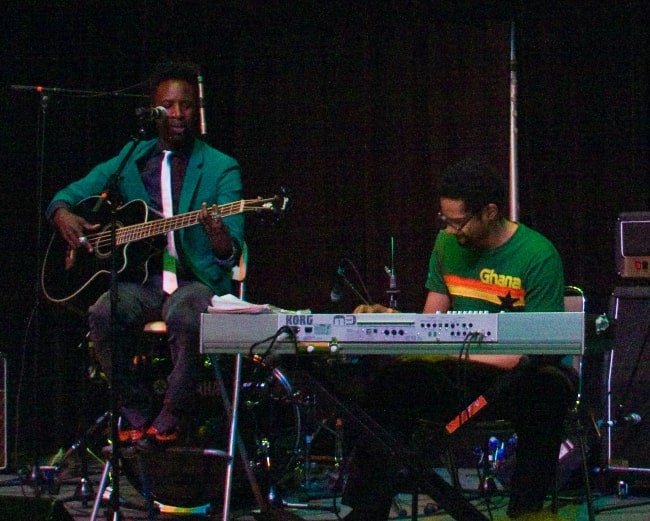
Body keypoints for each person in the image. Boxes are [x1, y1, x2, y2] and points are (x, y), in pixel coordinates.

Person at [341, 157, 575, 520]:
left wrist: (454, 350)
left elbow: (535, 351)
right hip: (459, 371)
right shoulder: (446, 246)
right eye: (444, 221)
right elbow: (430, 323)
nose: (450, 231)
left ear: (490, 212)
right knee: (391, 385)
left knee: (550, 388)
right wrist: (397, 325)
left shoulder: (538, 255)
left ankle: (525, 510)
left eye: (458, 222)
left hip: (513, 377)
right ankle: (367, 510)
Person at [46, 61, 245, 449]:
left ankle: (171, 417)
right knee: (104, 312)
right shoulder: (133, 158)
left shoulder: (221, 167)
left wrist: (218, 233)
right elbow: (68, 194)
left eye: (186, 105)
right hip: (145, 282)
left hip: (195, 281)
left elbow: (231, 250)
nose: (177, 114)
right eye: (167, 106)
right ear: (153, 111)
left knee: (186, 315)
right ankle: (137, 413)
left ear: (196, 109)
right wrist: (61, 214)